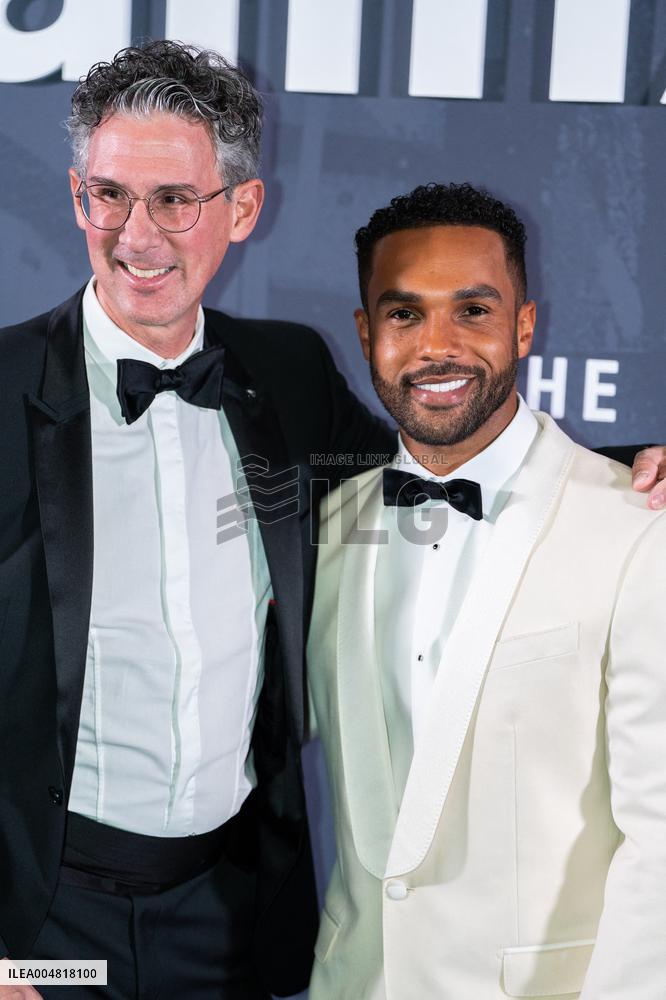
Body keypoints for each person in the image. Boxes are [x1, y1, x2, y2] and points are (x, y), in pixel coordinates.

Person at [0, 40, 394, 1000]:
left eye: (174, 200)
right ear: (76, 195)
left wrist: (621, 466)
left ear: (243, 208)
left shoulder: (291, 371)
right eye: (109, 196)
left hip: (227, 914)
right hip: (45, 923)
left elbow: (430, 474)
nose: (136, 236)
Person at [306, 183, 666, 999]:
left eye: (472, 310)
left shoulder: (640, 528)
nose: (437, 346)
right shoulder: (324, 527)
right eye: (404, 314)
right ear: (365, 334)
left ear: (524, 325)